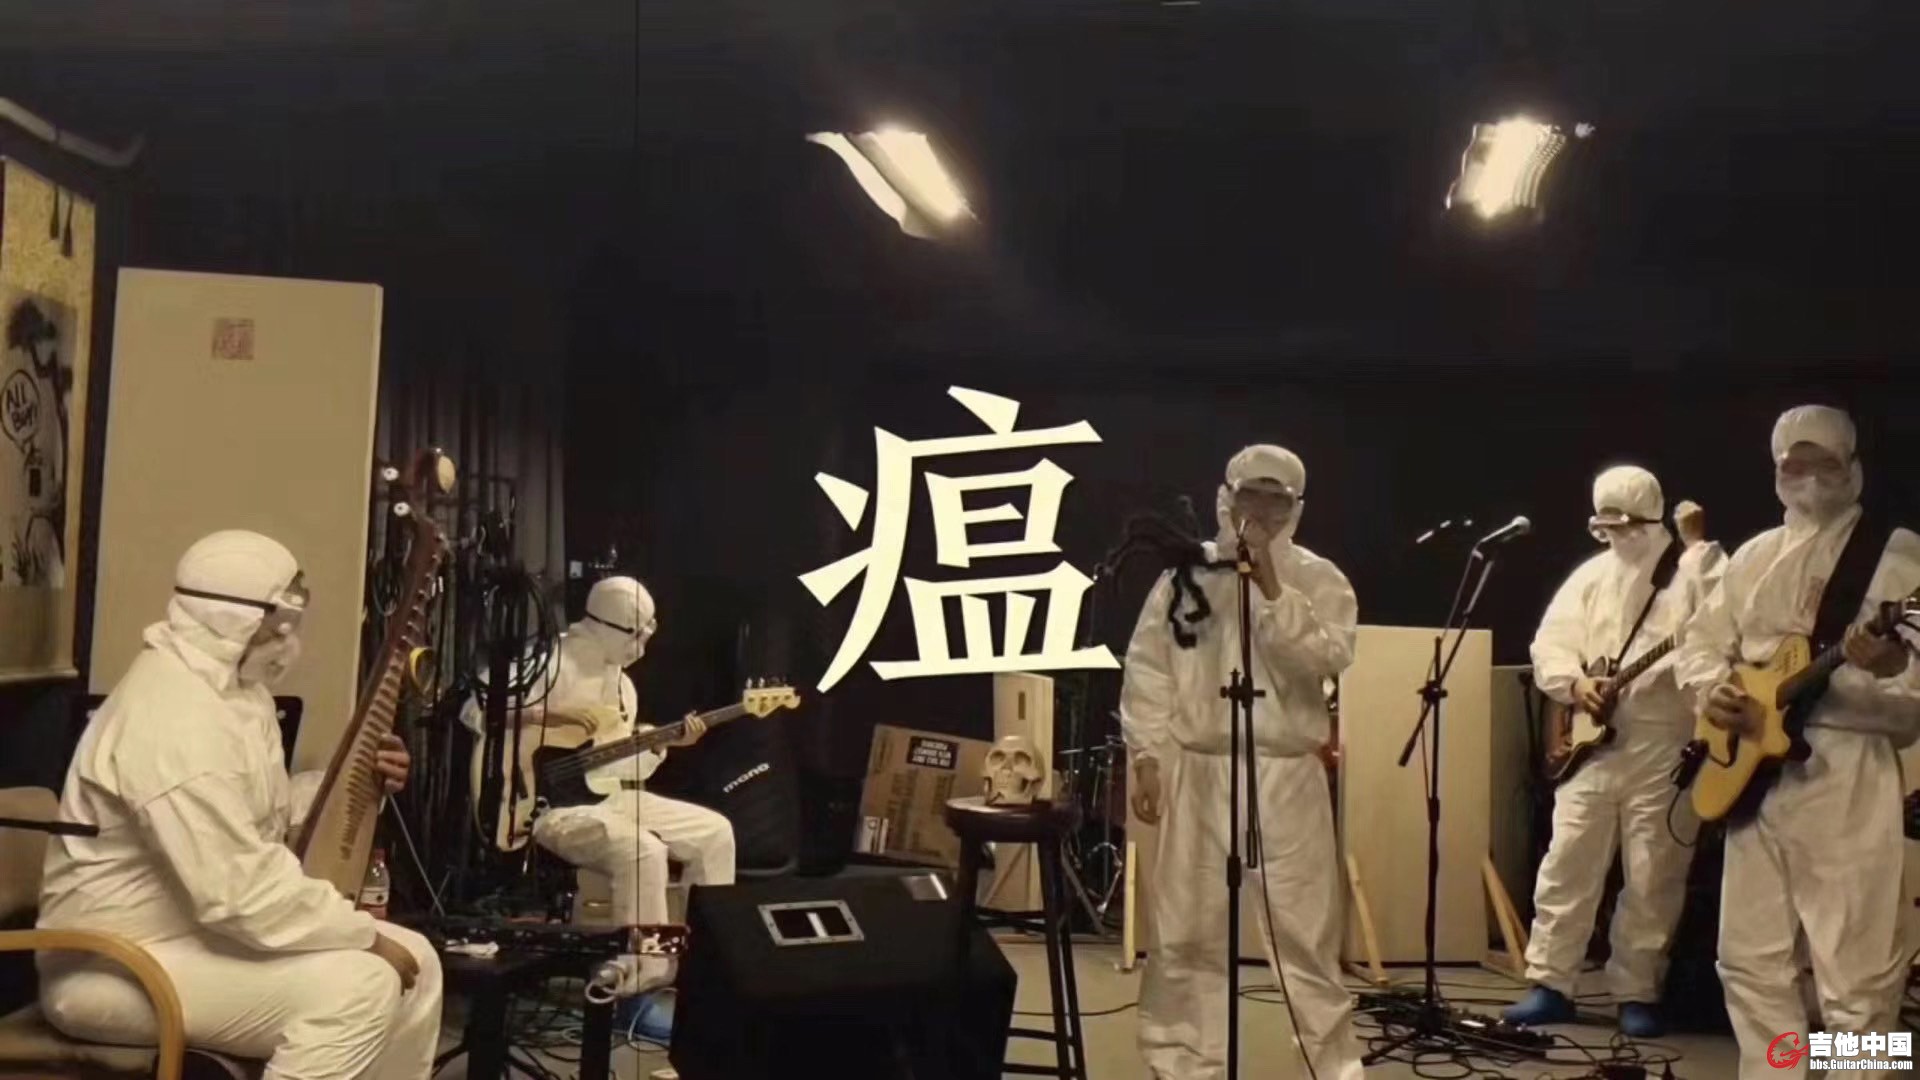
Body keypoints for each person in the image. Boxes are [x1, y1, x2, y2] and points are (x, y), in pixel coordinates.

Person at [38, 529, 442, 1078]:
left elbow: (256, 821)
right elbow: (237, 892)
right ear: (237, 620)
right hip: (111, 965)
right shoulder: (172, 716)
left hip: (198, 937)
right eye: (280, 623)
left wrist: (358, 784)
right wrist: (361, 935)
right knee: (360, 986)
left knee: (419, 960)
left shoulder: (238, 696)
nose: (289, 638)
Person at [1673, 405, 1920, 1078]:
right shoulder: (1754, 555)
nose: (1810, 478)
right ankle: (1776, 1071)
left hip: (1846, 775)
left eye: (1826, 463)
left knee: (1860, 978)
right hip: (1754, 776)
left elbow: (1913, 695)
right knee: (1747, 961)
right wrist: (1713, 691)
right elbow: (1700, 644)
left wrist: (1889, 669)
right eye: (1795, 464)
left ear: (1855, 466)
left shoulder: (1898, 556)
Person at [1121, 444, 1365, 1080]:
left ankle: (1332, 1070)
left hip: (1285, 773)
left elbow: (1327, 656)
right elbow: (1150, 668)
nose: (1260, 510)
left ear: (1295, 507)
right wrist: (1146, 756)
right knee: (1186, 931)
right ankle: (1185, 1067)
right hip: (1200, 770)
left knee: (1305, 938)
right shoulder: (1186, 577)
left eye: (1275, 499)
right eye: (1249, 495)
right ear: (1226, 497)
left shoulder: (1318, 579)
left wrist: (1272, 587)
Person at [1505, 466, 1724, 1037]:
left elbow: (1719, 622)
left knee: (1654, 873)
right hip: (1594, 745)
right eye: (1605, 525)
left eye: (1625, 525)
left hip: (1665, 742)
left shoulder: (1689, 571)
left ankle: (1637, 990)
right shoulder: (1590, 576)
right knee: (1567, 862)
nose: (1616, 536)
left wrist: (1699, 551)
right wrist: (1576, 685)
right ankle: (1551, 982)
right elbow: (1551, 643)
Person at [462, 575, 735, 995]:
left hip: (605, 797)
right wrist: (540, 717)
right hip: (542, 806)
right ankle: (641, 969)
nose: (640, 648)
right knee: (643, 849)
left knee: (716, 833)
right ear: (604, 624)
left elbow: (617, 766)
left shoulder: (623, 686)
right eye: (634, 635)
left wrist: (662, 745)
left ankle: (709, 959)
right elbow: (473, 708)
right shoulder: (549, 664)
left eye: (646, 636)